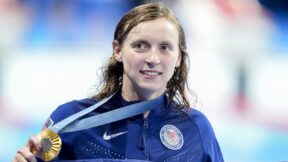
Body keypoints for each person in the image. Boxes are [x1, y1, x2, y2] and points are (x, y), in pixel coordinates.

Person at [13, 2, 224, 162]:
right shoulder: (70, 123)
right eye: (141, 45)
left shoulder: (196, 129)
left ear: (178, 58)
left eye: (165, 48)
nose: (153, 59)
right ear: (118, 50)